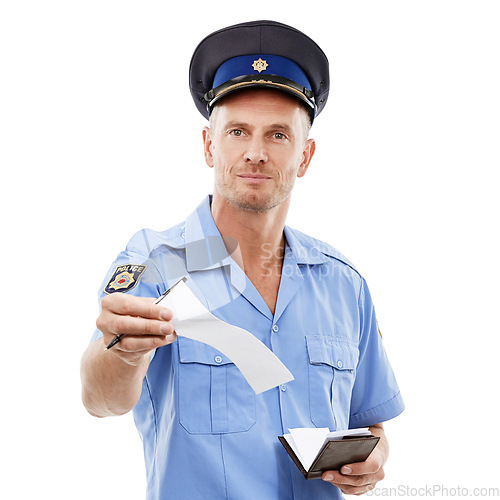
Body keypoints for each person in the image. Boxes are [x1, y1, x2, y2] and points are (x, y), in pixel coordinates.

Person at [81, 20, 404, 499]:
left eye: (278, 135)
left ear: (306, 156)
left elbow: (369, 426)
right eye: (237, 131)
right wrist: (123, 351)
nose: (255, 153)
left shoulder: (343, 284)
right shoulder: (159, 261)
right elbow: (100, 399)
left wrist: (374, 458)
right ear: (210, 146)